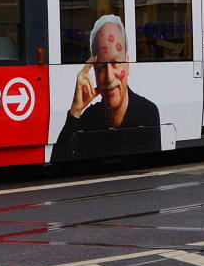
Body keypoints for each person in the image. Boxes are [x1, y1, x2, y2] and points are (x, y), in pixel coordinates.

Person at [51, 15, 161, 162]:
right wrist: (75, 112)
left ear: (127, 64)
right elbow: (58, 164)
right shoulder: (88, 119)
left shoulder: (147, 113)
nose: (109, 76)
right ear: (94, 71)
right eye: (102, 67)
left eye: (116, 62)